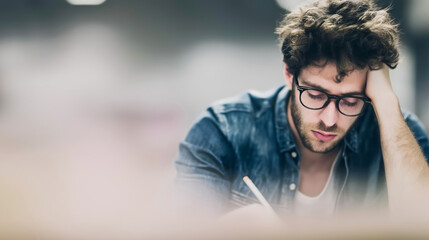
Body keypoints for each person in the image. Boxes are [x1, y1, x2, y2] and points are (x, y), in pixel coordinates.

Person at [174, 0, 429, 218]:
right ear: (289, 74)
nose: (330, 120)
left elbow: (421, 224)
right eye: (316, 95)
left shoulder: (399, 133)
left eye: (350, 101)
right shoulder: (222, 131)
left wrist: (385, 100)